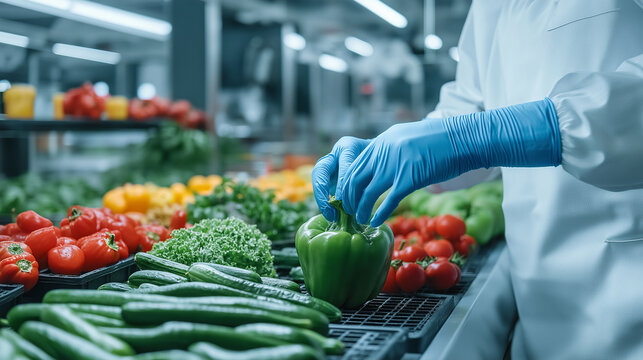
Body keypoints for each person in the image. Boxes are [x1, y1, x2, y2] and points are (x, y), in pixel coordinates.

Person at [312, 1, 643, 358]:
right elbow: (471, 107)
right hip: (541, 306)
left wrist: (509, 132)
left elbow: (480, 131)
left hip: (627, 304)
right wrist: (397, 147)